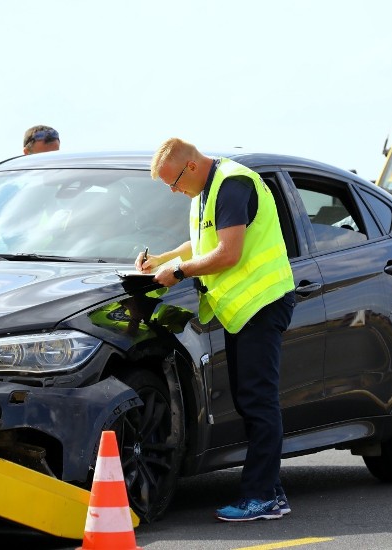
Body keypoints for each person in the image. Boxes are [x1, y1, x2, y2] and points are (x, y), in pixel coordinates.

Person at [136, 137, 297, 522]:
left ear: (190, 167)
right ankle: (270, 491)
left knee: (258, 401)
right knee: (249, 400)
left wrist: (177, 272)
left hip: (262, 303)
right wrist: (162, 258)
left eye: (174, 184)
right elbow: (201, 243)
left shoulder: (232, 183)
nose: (175, 192)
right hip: (244, 310)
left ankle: (262, 498)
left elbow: (228, 252)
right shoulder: (206, 191)